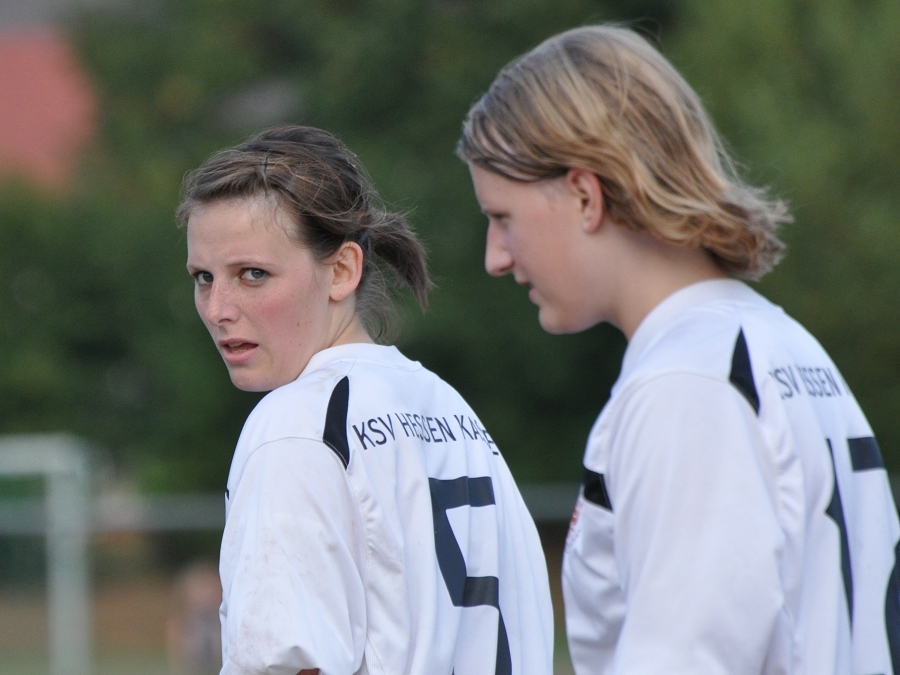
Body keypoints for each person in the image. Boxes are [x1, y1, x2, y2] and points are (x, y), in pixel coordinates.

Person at [457, 24, 900, 675]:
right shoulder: (777, 343)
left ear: (584, 194)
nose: (495, 257)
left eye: (503, 218)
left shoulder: (688, 384)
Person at [178, 125, 554, 675]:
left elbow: (287, 664)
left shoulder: (295, 427)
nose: (217, 308)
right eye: (203, 277)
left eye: (252, 274)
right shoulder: (452, 411)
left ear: (342, 270)